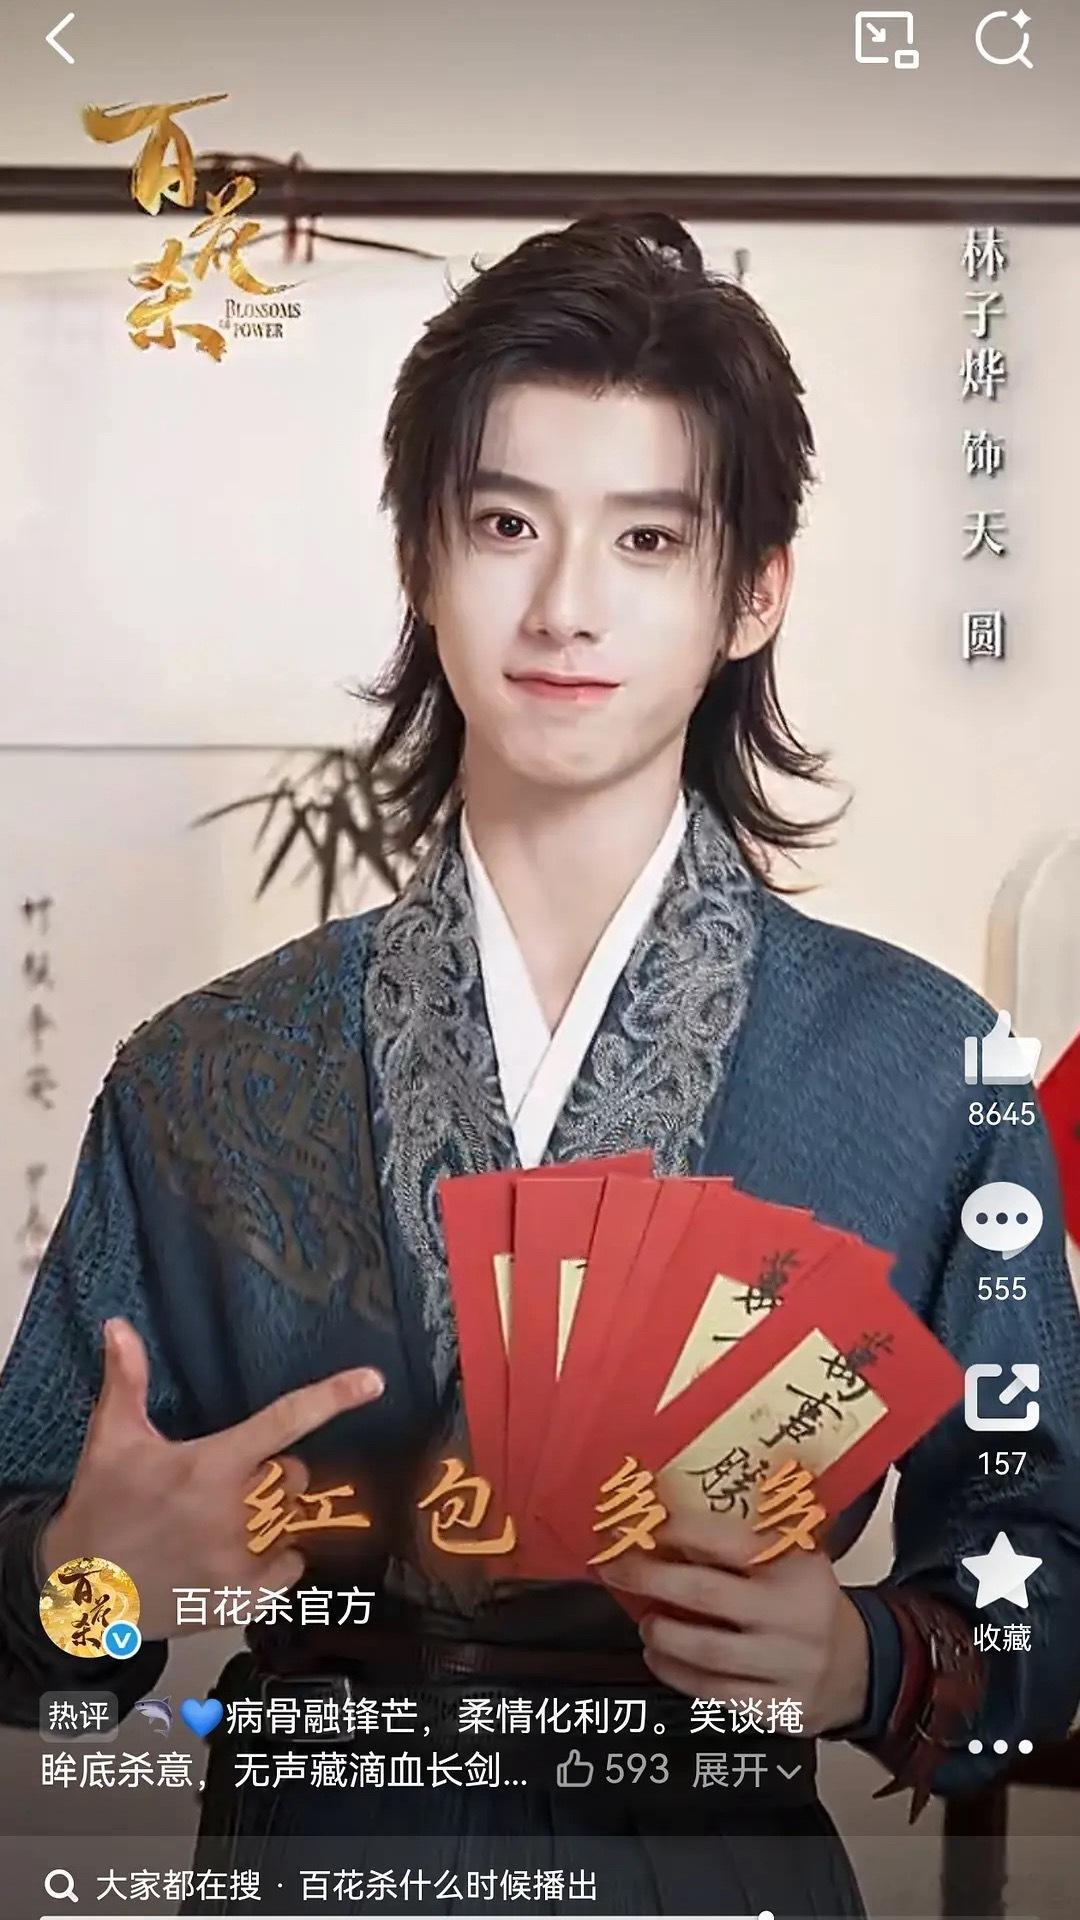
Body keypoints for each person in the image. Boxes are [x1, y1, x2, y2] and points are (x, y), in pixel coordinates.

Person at [1, 210, 1078, 1919]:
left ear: (753, 593)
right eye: (506, 523)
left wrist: (862, 1657)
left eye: (648, 538)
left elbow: (1049, 1573)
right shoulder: (204, 1072)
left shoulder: (928, 1069)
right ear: (420, 563)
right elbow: (38, 1630)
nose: (567, 605)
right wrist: (92, 1579)